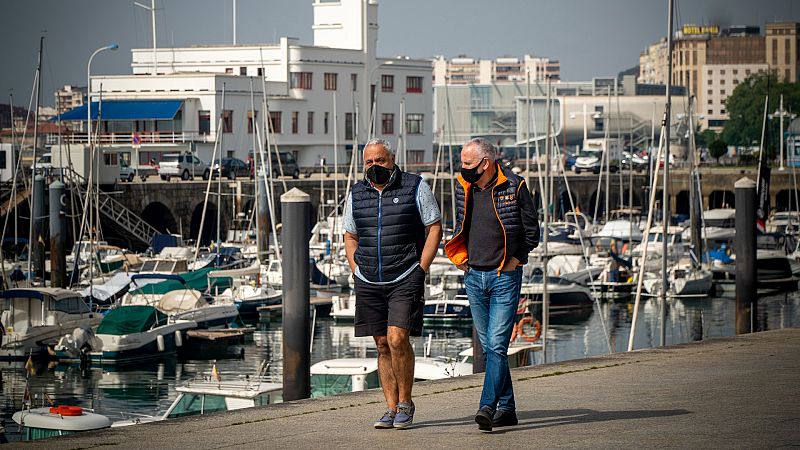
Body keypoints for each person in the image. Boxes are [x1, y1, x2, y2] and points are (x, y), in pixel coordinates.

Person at [343, 138, 442, 429]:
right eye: (369, 162)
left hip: (404, 276)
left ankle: (405, 403)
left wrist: (420, 269)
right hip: (368, 279)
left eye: (380, 161)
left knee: (398, 338)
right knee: (382, 343)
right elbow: (350, 235)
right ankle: (389, 408)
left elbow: (434, 226)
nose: (374, 166)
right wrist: (355, 268)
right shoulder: (356, 193)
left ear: (392, 159)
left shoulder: (414, 186)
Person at [444, 137, 540, 432]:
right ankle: (507, 408)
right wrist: (460, 258)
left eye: (468, 164)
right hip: (474, 275)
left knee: (497, 345)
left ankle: (487, 405)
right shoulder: (465, 187)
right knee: (490, 348)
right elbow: (461, 224)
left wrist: (517, 258)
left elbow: (532, 230)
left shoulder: (515, 185)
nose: (463, 169)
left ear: (485, 163)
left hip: (503, 276)